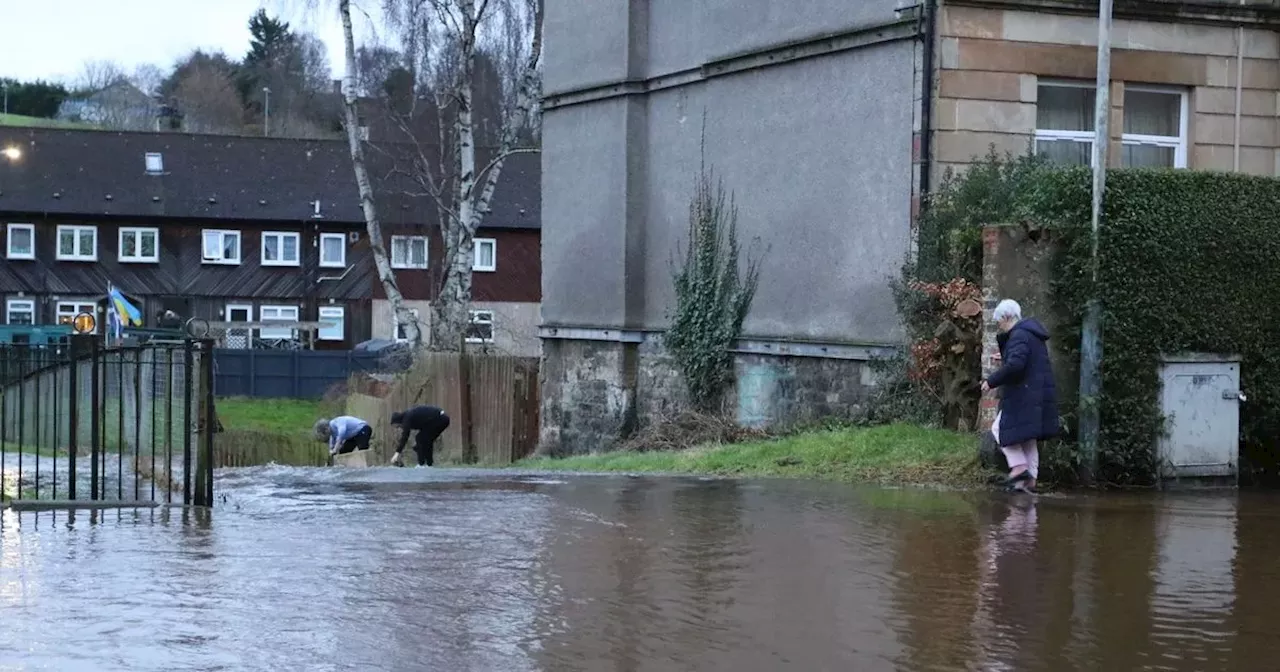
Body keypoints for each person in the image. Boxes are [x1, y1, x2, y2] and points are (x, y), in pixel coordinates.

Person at [980, 299, 1059, 493]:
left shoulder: (1019, 335)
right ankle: (1028, 482)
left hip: (1023, 394)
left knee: (999, 429)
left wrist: (991, 381)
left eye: (999, 321)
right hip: (1036, 395)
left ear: (1007, 317)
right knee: (1027, 439)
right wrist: (1005, 357)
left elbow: (1016, 366)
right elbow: (1026, 359)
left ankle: (1019, 468)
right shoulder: (1032, 335)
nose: (999, 325)